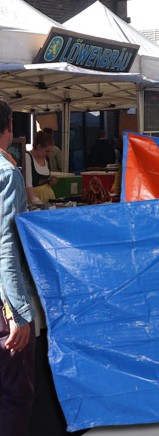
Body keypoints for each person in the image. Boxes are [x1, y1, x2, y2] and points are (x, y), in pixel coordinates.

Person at [0, 99, 36, 436]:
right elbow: (6, 248)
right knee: (15, 395)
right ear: (9, 127)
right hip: (4, 302)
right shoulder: (7, 173)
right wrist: (19, 312)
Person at [25, 131, 58, 205]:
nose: (48, 154)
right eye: (46, 151)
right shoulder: (27, 157)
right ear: (39, 147)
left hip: (48, 197)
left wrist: (49, 181)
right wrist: (34, 200)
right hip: (34, 197)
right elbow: (28, 184)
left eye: (50, 151)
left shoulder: (46, 159)